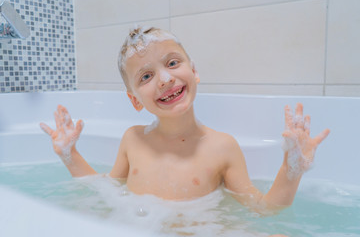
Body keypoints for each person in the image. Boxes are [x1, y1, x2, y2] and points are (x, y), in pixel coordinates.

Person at [40, 26, 329, 234]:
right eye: (146, 76)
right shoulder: (133, 139)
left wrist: (291, 171)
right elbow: (105, 189)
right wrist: (70, 155)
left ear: (194, 71)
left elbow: (262, 209)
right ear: (134, 100)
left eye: (172, 63)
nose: (165, 79)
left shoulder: (222, 147)